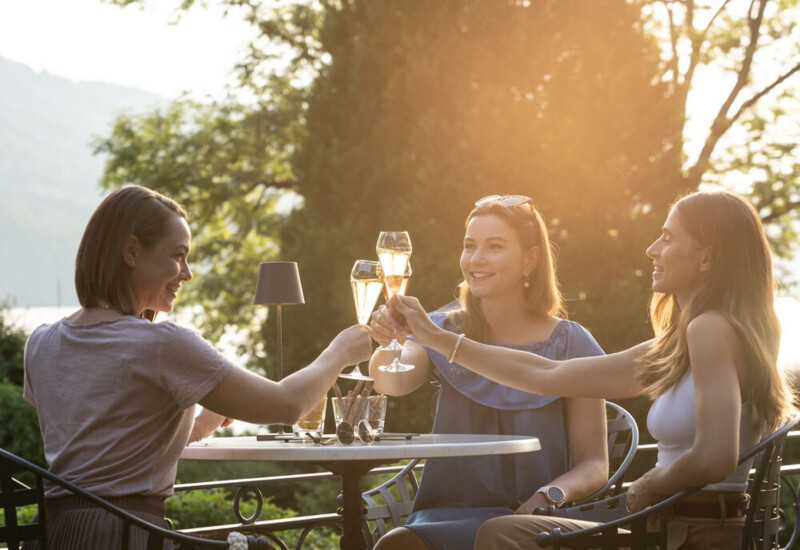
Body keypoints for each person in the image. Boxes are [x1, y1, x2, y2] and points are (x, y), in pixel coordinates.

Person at [388, 190, 797, 550]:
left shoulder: (711, 329)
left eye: (668, 238)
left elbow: (716, 457)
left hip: (695, 533)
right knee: (501, 533)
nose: (652, 249)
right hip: (669, 522)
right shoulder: (684, 341)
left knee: (504, 534)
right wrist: (435, 338)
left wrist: (650, 484)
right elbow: (545, 375)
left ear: (707, 256)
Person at [22, 185, 372, 549]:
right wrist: (339, 352)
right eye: (178, 256)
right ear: (131, 251)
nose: (186, 273)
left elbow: (104, 440)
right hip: (126, 538)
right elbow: (286, 405)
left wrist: (201, 422)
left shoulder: (42, 342)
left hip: (51, 536)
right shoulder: (161, 344)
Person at [367, 195, 609, 550]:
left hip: (533, 520)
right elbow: (391, 382)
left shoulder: (571, 342)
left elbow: (595, 464)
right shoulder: (439, 328)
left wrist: (550, 495)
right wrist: (388, 338)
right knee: (395, 545)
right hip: (446, 516)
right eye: (469, 246)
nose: (476, 259)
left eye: (494, 247)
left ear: (530, 260)